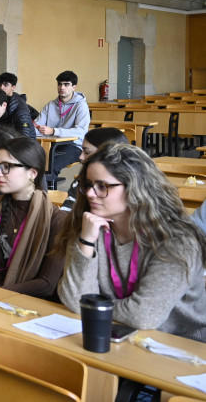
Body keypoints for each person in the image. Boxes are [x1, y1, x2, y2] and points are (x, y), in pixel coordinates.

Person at [57, 143, 206, 342]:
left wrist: (94, 306)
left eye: (103, 186)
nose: (91, 194)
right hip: (121, 336)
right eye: (89, 185)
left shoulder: (176, 240)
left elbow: (143, 316)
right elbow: (74, 301)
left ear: (135, 187)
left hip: (184, 347)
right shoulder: (91, 226)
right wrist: (85, 242)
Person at [0, 137, 67, 298]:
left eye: (7, 167)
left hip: (19, 304)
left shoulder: (57, 220)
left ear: (32, 173)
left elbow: (46, 284)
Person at [34, 70, 90, 176]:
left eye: (66, 84)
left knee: (51, 164)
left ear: (74, 87)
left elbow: (81, 132)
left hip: (73, 146)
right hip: (50, 144)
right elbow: (37, 125)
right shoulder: (50, 105)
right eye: (59, 84)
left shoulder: (81, 106)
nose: (62, 87)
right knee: (28, 160)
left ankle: (47, 190)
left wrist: (54, 131)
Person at [62, 127, 129, 210]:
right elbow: (67, 212)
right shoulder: (81, 180)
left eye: (87, 152)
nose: (81, 157)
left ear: (108, 154)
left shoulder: (132, 186)